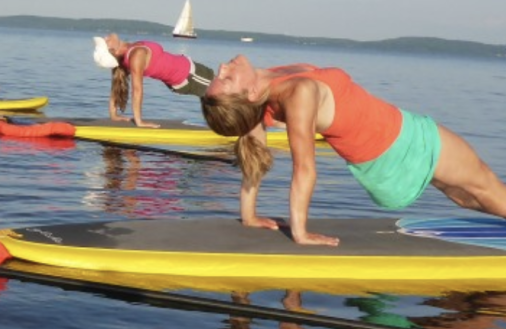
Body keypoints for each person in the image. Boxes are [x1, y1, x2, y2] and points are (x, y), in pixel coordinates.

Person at [200, 56, 506, 245]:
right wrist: (300, 233)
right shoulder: (296, 94)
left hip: (386, 152)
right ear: (251, 94)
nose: (223, 67)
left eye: (220, 75)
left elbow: (253, 151)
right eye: (226, 78)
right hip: (403, 142)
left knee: (466, 196)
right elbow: (303, 169)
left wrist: (249, 215)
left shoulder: (265, 88)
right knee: (487, 185)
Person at [92, 34, 215, 127]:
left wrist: (113, 115)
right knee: (226, 93)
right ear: (113, 51)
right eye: (106, 41)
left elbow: (116, 86)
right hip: (189, 75)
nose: (106, 37)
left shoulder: (132, 49)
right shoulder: (136, 55)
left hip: (190, 73)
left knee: (218, 100)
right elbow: (137, 90)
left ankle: (221, 124)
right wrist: (139, 121)